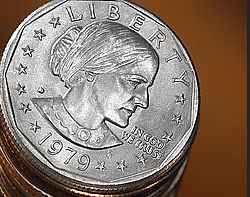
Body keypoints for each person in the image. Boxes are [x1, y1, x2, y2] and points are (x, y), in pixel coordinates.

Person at [31, 20, 159, 149]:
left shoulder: (113, 146)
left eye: (146, 88)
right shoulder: (36, 111)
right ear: (91, 72)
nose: (144, 101)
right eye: (134, 82)